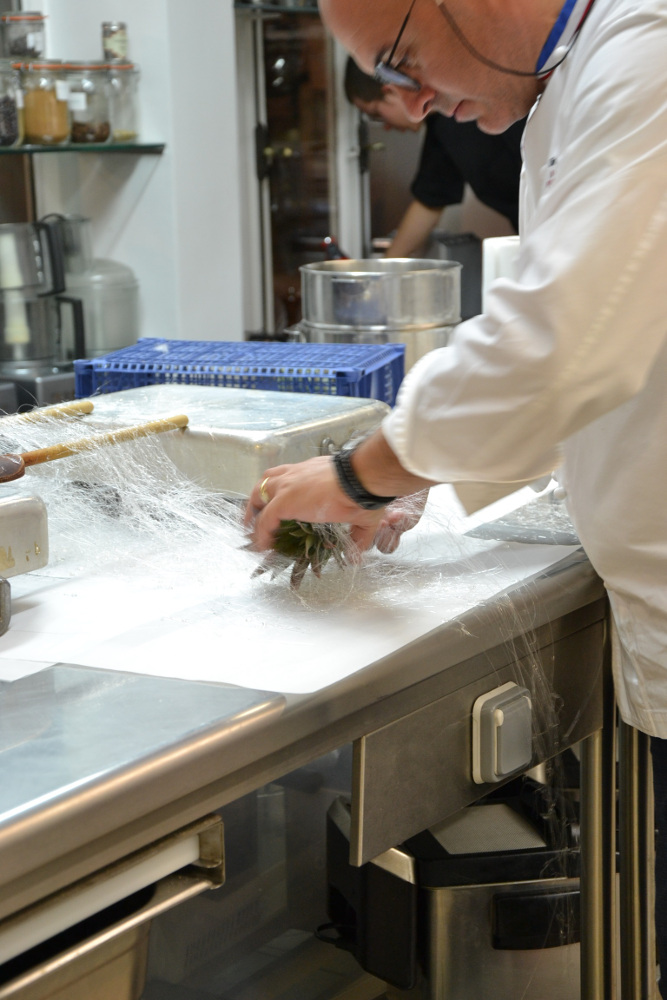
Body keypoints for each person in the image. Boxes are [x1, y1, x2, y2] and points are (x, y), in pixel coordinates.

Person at [244, 0, 667, 989]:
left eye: (398, 57)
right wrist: (423, 480)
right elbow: (614, 356)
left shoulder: (646, 56)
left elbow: (564, 351)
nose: (414, 99)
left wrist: (358, 474)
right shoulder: (560, 89)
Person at [344, 56, 524, 257]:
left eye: (377, 113)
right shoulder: (441, 128)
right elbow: (429, 202)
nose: (386, 126)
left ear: (392, 91)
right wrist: (384, 272)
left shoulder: (480, 96)